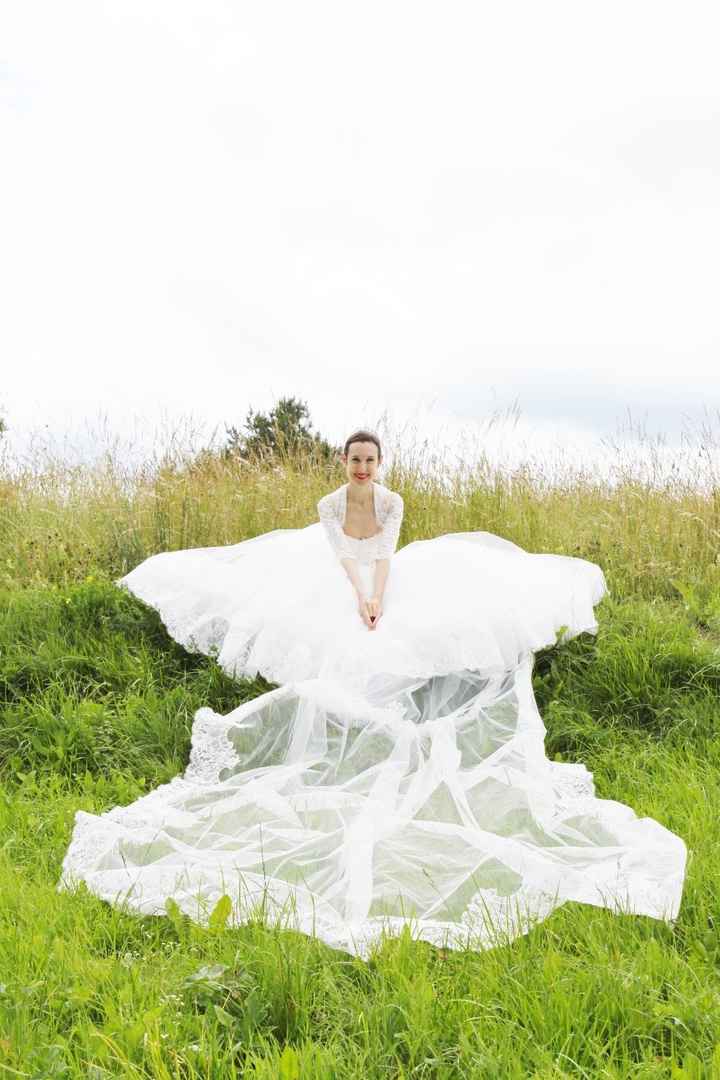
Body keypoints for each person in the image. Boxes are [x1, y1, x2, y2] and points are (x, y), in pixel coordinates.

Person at [59, 429, 686, 958]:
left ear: (378, 465)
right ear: (344, 464)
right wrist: (354, 594)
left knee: (411, 627)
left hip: (381, 573)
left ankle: (397, 702)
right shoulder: (331, 503)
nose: (362, 468)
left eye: (370, 460)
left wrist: (376, 598)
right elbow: (341, 555)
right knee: (328, 633)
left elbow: (382, 555)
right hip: (338, 573)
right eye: (354, 459)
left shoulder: (392, 501)